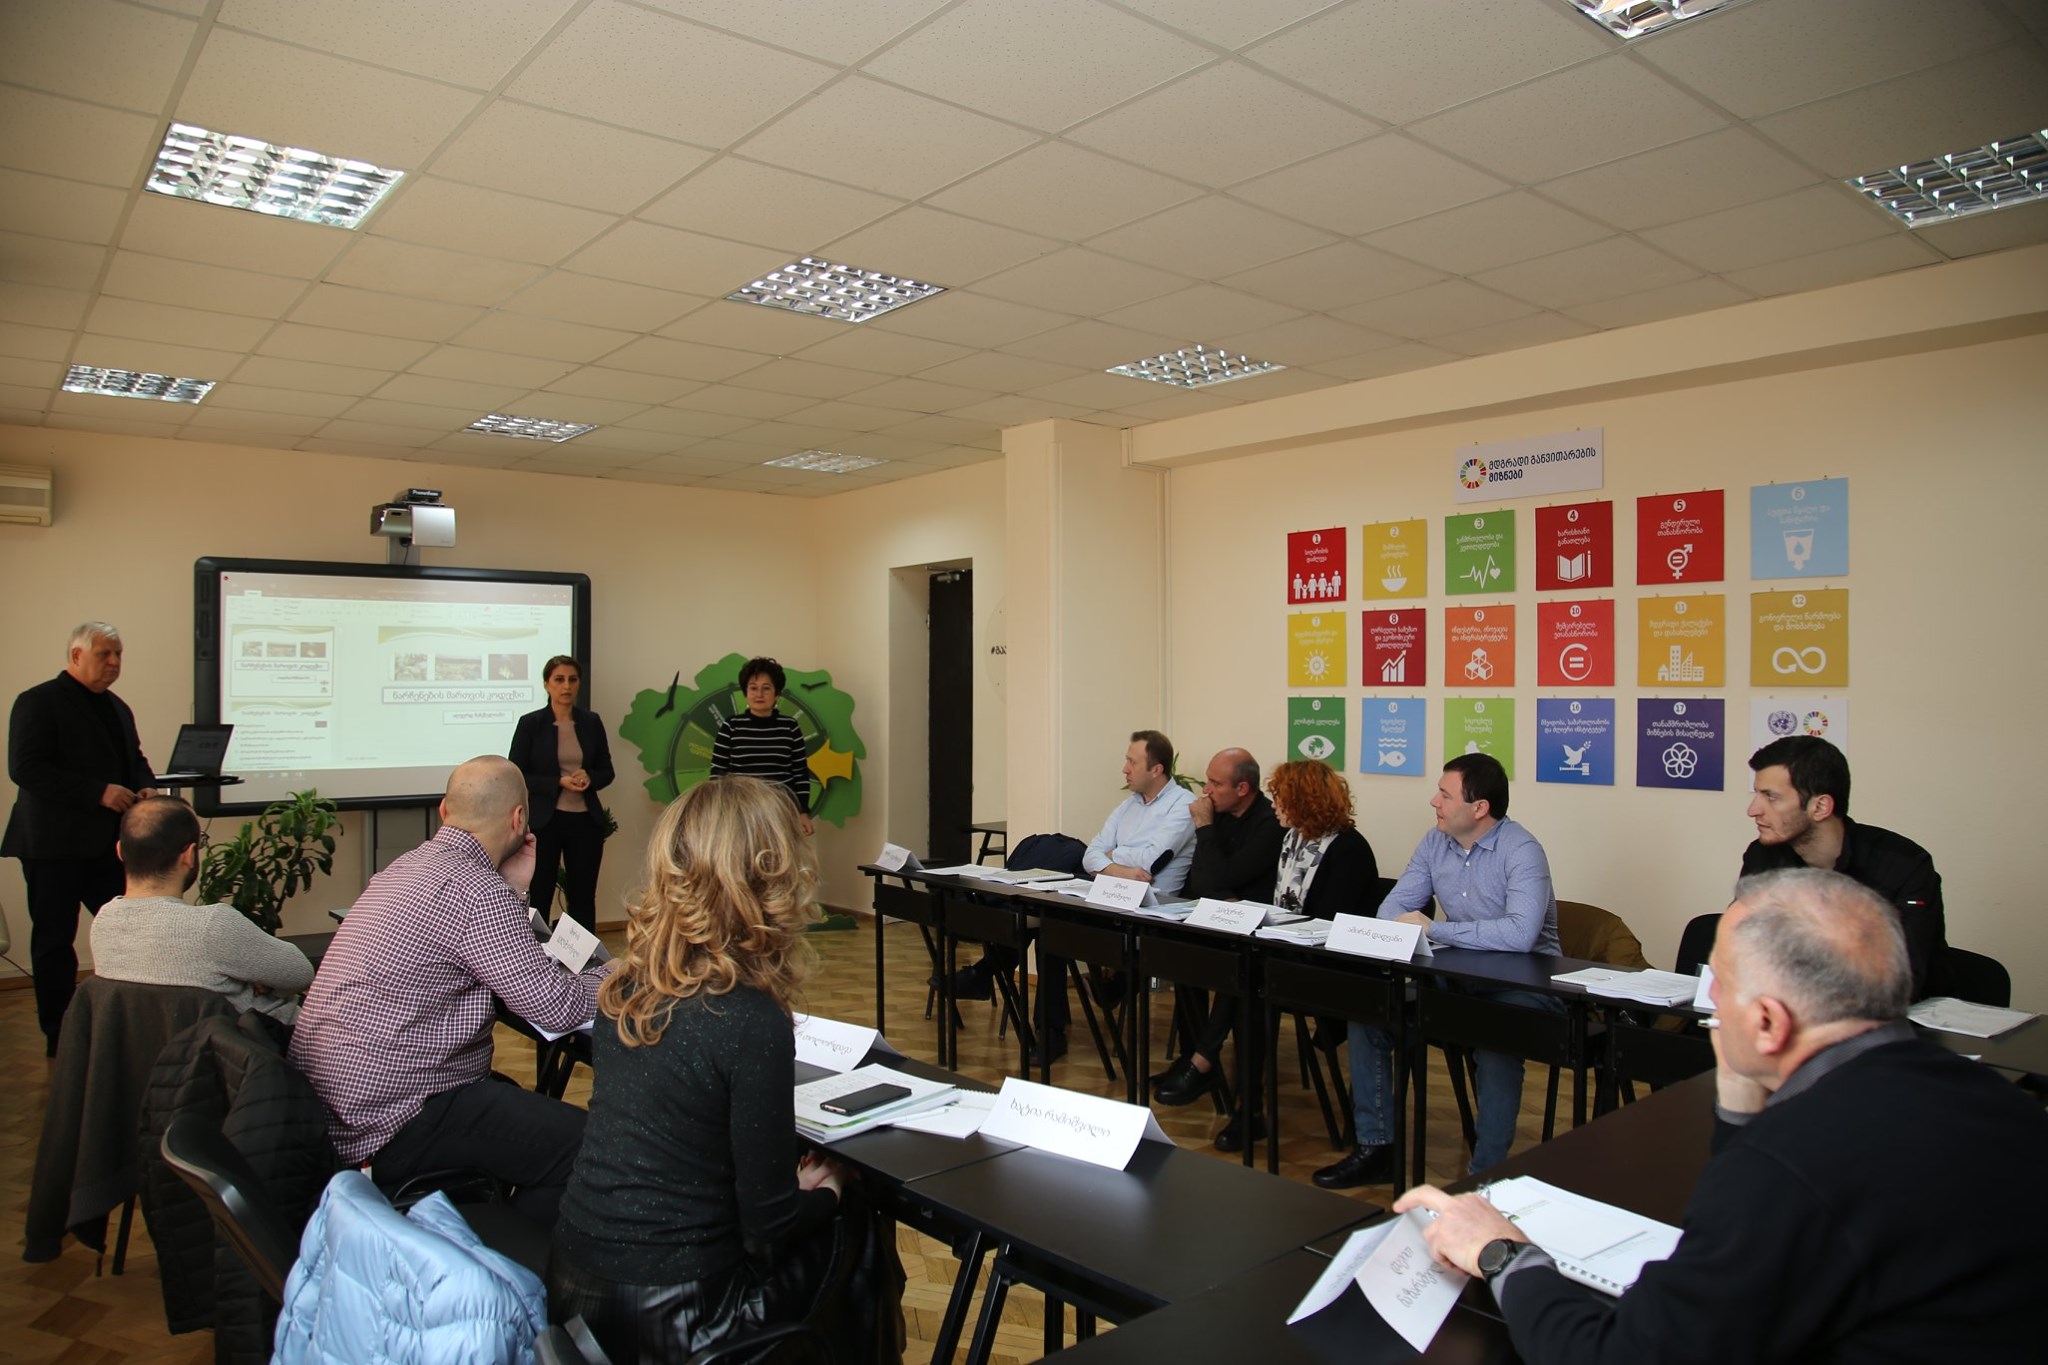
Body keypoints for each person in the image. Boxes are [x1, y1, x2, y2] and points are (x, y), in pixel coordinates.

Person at [1395, 868, 2046, 1364]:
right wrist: (1739, 1098)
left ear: (1767, 1021)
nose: (1709, 1006)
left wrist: (1503, 1253)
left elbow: (1619, 1355)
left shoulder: (1790, 1169)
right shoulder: (1996, 1098)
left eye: (1720, 985)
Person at [549, 777, 889, 1362]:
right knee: (854, 1219)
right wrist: (826, 1193)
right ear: (772, 875)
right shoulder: (749, 1019)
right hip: (676, 1314)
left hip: (573, 1283)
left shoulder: (624, 988)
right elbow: (769, 1224)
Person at [290, 756, 609, 1226]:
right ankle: (508, 1254)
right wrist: (612, 977)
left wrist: (511, 887)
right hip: (395, 1119)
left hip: (339, 1106)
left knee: (523, 1111)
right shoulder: (476, 891)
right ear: (519, 819)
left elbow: (495, 955)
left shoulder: (406, 866)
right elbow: (556, 1007)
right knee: (593, 1150)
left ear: (444, 810)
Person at [1318, 753, 1560, 1188]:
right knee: (1371, 1013)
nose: (1434, 802)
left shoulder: (1522, 850)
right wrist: (1410, 926)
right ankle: (1376, 1148)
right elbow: (1393, 906)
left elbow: (1520, 935)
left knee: (1495, 1040)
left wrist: (1436, 929)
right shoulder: (1435, 842)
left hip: (1523, 983)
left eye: (1445, 795)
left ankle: (1485, 1179)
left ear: (1479, 807)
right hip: (1456, 976)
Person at [954, 730, 1196, 1064]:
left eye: (1132, 762)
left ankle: (986, 975)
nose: (1124, 768)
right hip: (1111, 895)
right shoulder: (1129, 805)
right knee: (1050, 914)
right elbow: (1091, 854)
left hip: (1148, 910)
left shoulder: (1183, 805)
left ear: (1157, 770)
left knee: (1052, 923)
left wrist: (1110, 860)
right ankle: (1048, 1031)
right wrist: (1119, 867)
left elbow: (1152, 861)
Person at [4, 622, 156, 1055]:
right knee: (55, 941)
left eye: (118, 654)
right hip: (52, 847)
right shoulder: (37, 701)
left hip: (106, 846)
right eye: (105, 654)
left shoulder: (118, 707)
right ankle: (60, 1035)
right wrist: (98, 792)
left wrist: (145, 786)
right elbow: (26, 768)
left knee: (130, 932)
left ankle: (127, 1024)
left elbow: (135, 760)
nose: (114, 663)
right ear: (76, 656)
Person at [1739, 735, 1944, 997]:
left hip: (1894, 1016)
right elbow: (1744, 949)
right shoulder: (1763, 856)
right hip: (1792, 1007)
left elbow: (1902, 978)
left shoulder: (1904, 865)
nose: (1753, 810)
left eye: (1771, 797)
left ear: (1820, 807)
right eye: (1757, 794)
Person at [90, 796, 313, 1021]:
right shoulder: (212, 924)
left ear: (120, 851)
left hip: (157, 1043)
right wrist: (253, 978)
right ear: (189, 855)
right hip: (254, 1040)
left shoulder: (103, 920)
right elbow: (300, 973)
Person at [509, 654, 615, 931]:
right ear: (547, 684)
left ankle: (584, 954)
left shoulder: (591, 722)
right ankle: (533, 950)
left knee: (583, 895)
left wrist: (589, 776)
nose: (566, 686)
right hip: (546, 821)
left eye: (572, 679)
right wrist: (558, 782)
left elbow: (607, 771)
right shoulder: (531, 723)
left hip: (585, 821)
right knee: (540, 892)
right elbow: (517, 772)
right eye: (559, 680)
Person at [709, 656, 813, 836]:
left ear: (777, 694)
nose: (759, 694)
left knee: (781, 854)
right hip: (740, 812)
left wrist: (802, 811)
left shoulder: (790, 726)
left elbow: (800, 773)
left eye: (766, 688)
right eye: (753, 688)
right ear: (745, 692)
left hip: (781, 810)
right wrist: (719, 812)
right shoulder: (731, 726)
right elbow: (718, 773)